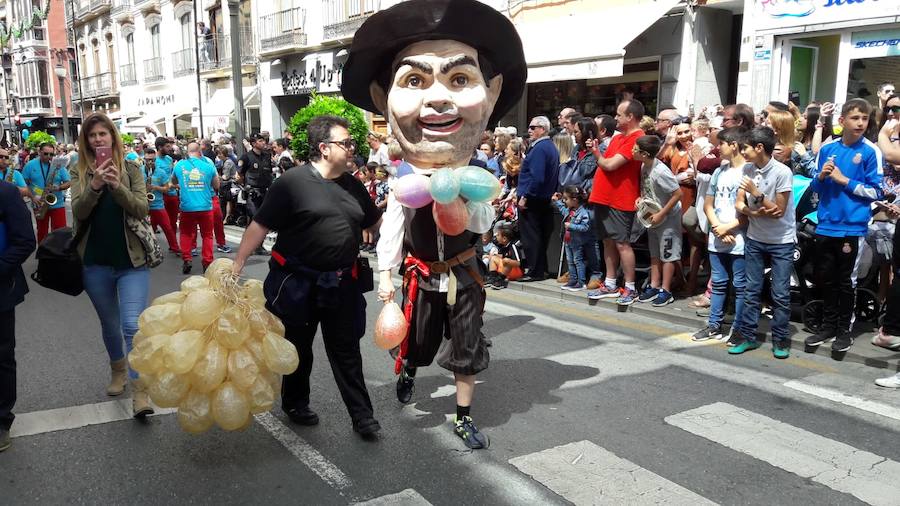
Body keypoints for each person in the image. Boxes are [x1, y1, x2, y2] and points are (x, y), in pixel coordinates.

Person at [347, 0, 526, 449]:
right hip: (422, 275)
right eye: (414, 80)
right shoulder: (405, 182)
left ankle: (463, 416)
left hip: (465, 275)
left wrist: (467, 200)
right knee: (419, 342)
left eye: (460, 79)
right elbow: (391, 232)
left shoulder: (476, 178)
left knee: (467, 344)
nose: (439, 97)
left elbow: (483, 223)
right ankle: (409, 367)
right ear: (383, 99)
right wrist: (385, 279)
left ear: (490, 93)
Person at [232, 115, 383, 438]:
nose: (352, 147)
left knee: (346, 351)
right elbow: (260, 224)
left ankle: (362, 417)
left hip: (342, 283)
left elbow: (372, 220)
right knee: (298, 346)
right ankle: (296, 402)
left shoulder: (354, 184)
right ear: (324, 148)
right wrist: (238, 263)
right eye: (346, 143)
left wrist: (377, 229)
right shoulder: (291, 183)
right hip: (298, 283)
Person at [70, 113, 153, 417]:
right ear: (86, 141)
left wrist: (117, 186)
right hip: (95, 262)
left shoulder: (131, 168)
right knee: (109, 324)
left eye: (103, 134)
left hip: (131, 261)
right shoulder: (77, 170)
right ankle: (117, 369)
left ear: (112, 136)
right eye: (92, 136)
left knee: (132, 325)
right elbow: (77, 212)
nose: (98, 140)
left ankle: (139, 391)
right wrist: (93, 185)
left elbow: (142, 208)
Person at [805, 99, 883, 353]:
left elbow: (876, 191)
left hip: (852, 228)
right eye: (855, 118)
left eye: (864, 119)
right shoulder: (828, 149)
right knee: (825, 279)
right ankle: (827, 326)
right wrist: (822, 177)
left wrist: (844, 180)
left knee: (845, 281)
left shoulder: (871, 152)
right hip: (826, 224)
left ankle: (844, 330)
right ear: (842, 121)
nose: (860, 123)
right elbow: (815, 188)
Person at [730, 126, 796, 358]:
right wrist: (752, 212)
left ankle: (780, 340)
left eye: (745, 148)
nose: (742, 152)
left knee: (780, 293)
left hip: (782, 241)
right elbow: (739, 203)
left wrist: (756, 195)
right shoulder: (747, 168)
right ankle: (747, 336)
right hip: (755, 238)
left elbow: (778, 211)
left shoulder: (782, 172)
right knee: (751, 290)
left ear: (759, 148)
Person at [692, 127, 752, 342]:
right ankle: (714, 324)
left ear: (734, 145)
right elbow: (709, 203)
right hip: (718, 235)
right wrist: (718, 227)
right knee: (718, 282)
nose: (718, 148)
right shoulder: (719, 171)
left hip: (739, 237)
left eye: (722, 144)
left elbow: (749, 210)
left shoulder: (749, 172)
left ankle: (738, 327)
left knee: (739, 285)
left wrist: (729, 228)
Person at [586, 100, 646, 305]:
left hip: (621, 198)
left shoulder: (638, 138)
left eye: (620, 115)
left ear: (630, 117)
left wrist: (596, 153)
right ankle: (610, 282)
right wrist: (598, 153)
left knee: (622, 243)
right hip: (604, 196)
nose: (616, 118)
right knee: (608, 241)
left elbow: (610, 164)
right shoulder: (619, 137)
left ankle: (630, 287)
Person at [0, 176, 37, 452]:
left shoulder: (7, 193)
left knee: (1, 357)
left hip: (1, 288)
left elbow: (25, 242)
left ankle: (1, 422)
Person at [634, 135, 682, 307]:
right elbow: (646, 188)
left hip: (668, 218)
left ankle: (666, 289)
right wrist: (641, 199)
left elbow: (677, 194)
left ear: (645, 154)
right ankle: (654, 285)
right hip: (652, 216)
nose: (633, 151)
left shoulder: (661, 171)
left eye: (636, 149)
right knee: (654, 253)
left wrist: (662, 213)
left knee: (667, 254)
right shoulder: (643, 166)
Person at [517, 115, 560, 282]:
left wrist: (525, 197)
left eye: (533, 127)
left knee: (531, 236)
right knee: (538, 235)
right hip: (541, 198)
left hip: (533, 199)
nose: (529, 130)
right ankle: (539, 269)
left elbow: (537, 178)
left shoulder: (541, 148)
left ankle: (534, 271)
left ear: (542, 129)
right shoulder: (548, 146)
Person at [173, 142, 220, 274]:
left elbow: (174, 182)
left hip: (187, 207)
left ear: (187, 151)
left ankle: (187, 259)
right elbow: (216, 185)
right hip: (205, 206)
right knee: (207, 235)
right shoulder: (208, 166)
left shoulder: (179, 165)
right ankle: (207, 261)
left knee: (186, 233)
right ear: (200, 151)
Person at [23, 142, 71, 243]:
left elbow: (68, 182)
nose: (49, 157)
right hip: (39, 203)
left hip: (57, 203)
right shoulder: (30, 165)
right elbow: (25, 184)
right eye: (46, 154)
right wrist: (32, 197)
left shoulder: (58, 165)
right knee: (42, 231)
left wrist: (58, 187)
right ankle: (43, 253)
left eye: (51, 154)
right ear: (39, 152)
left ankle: (58, 253)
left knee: (60, 231)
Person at [552, 186, 598, 291]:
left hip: (577, 242)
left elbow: (585, 227)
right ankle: (573, 280)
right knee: (570, 261)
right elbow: (562, 209)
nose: (565, 201)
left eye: (566, 199)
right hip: (568, 241)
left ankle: (581, 282)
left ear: (575, 200)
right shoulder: (569, 210)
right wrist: (557, 201)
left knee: (578, 261)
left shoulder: (583, 212)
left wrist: (571, 226)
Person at [238, 133, 274, 256]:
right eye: (260, 141)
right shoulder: (246, 157)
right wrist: (246, 187)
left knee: (261, 220)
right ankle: (253, 245)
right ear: (253, 143)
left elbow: (269, 173)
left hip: (265, 191)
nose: (263, 143)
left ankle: (255, 245)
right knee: (256, 219)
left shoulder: (267, 156)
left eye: (264, 141)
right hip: (252, 192)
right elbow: (239, 175)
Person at [144, 147, 179, 254]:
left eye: (152, 160)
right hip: (143, 204)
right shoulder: (138, 171)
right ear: (144, 159)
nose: (150, 162)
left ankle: (175, 247)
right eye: (148, 160)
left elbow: (167, 189)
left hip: (158, 204)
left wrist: (154, 187)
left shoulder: (161, 172)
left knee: (167, 227)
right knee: (146, 230)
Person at [484, 223, 524, 289]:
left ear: (504, 238)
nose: (496, 237)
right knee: (493, 258)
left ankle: (501, 281)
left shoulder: (513, 246)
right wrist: (490, 256)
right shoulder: (503, 247)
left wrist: (506, 260)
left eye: (498, 235)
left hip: (516, 272)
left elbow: (518, 263)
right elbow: (501, 256)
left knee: (506, 260)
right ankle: (493, 278)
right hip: (506, 271)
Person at [156, 137, 179, 237]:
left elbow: (172, 175)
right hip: (161, 195)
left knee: (173, 222)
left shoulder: (169, 159)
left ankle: (173, 245)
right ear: (160, 147)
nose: (170, 148)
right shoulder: (154, 161)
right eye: (167, 146)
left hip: (173, 194)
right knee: (161, 222)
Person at [218, 146, 238, 224]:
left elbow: (225, 177)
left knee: (228, 200)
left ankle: (227, 217)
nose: (218, 155)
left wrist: (217, 176)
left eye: (220, 154)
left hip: (231, 184)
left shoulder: (228, 162)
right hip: (226, 184)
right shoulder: (223, 162)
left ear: (224, 154)